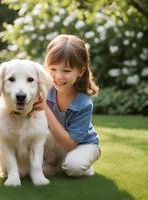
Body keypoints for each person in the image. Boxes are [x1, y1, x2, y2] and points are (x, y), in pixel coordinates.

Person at [35, 34, 101, 177]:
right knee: (32, 163)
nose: (58, 76)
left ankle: (76, 163)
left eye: (66, 71)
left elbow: (70, 144)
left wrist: (46, 109)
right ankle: (56, 164)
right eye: (53, 69)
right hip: (54, 144)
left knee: (73, 167)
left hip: (82, 144)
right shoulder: (44, 90)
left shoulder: (83, 103)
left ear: (80, 71)